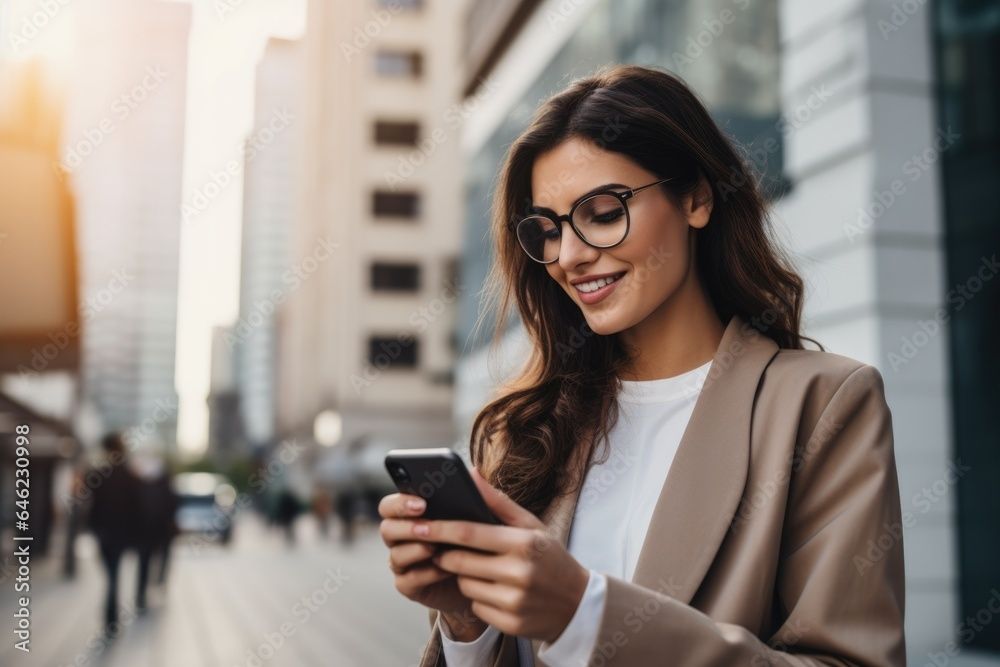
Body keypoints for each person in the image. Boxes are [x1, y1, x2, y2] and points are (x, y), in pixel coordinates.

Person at [378, 65, 905, 666]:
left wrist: (585, 615)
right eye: (547, 230)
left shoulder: (822, 406)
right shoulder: (529, 425)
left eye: (602, 213)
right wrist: (467, 623)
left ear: (697, 198)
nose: (569, 257)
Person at [87, 432, 142, 634]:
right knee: (113, 572)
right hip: (121, 532)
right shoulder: (129, 475)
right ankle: (111, 615)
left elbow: (92, 503)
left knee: (111, 573)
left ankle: (110, 614)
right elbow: (137, 507)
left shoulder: (99, 473)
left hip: (104, 531)